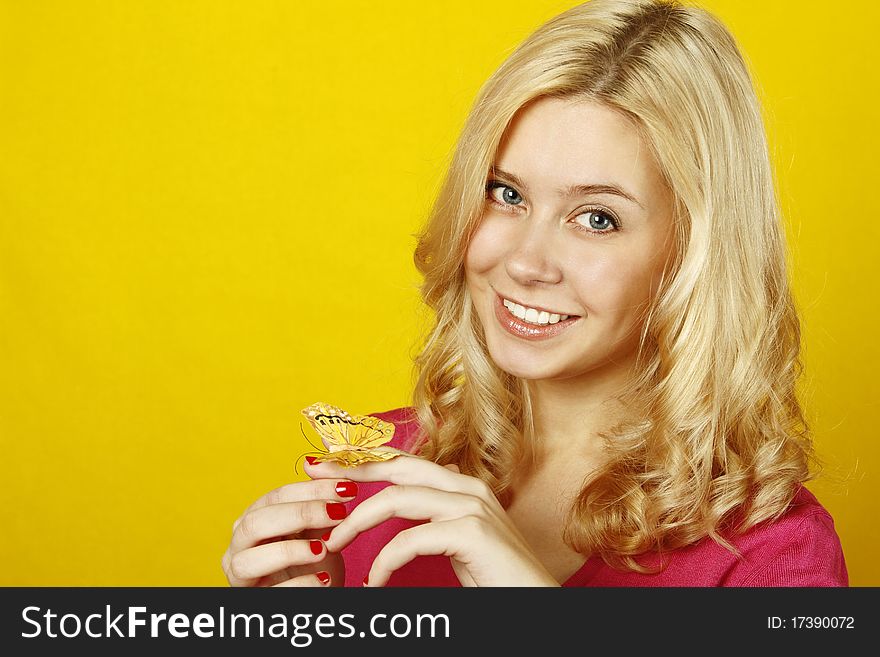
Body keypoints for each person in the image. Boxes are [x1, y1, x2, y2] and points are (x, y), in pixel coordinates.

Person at [221, 0, 848, 587]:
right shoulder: (367, 478)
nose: (524, 261)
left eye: (597, 218)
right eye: (506, 194)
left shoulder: (777, 556)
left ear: (693, 254)